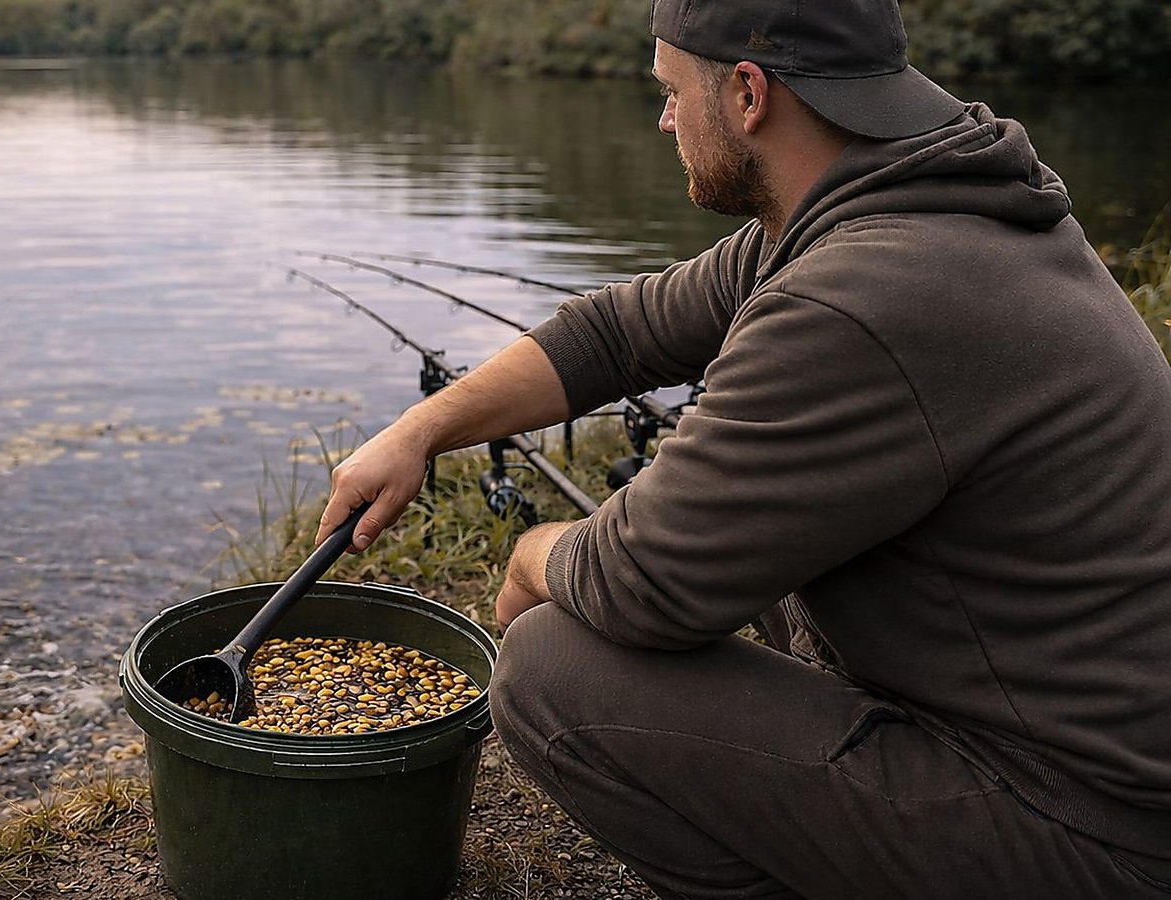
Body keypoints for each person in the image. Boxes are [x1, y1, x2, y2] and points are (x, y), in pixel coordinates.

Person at [313, 0, 1171, 897]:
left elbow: (638, 586)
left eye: (674, 92)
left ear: (750, 95)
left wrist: (530, 560)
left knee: (552, 669)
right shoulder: (896, 196)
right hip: (1058, 733)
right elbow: (619, 333)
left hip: (1091, 828)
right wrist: (417, 433)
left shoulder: (867, 293)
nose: (665, 119)